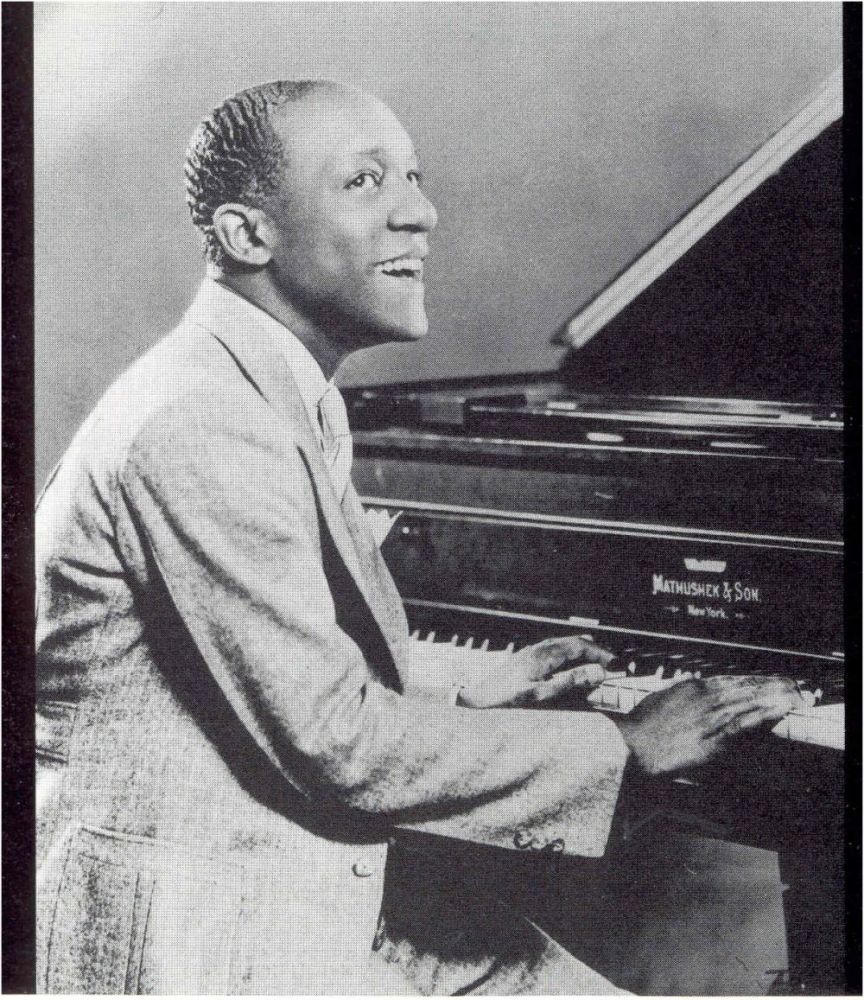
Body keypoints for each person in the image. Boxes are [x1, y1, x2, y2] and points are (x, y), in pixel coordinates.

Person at [35, 79, 804, 995]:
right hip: (209, 929)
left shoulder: (269, 385)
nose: (421, 214)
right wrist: (627, 746)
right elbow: (337, 744)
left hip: (296, 881)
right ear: (246, 234)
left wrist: (467, 690)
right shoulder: (203, 418)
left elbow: (278, 666)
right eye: (365, 182)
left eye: (414, 178)